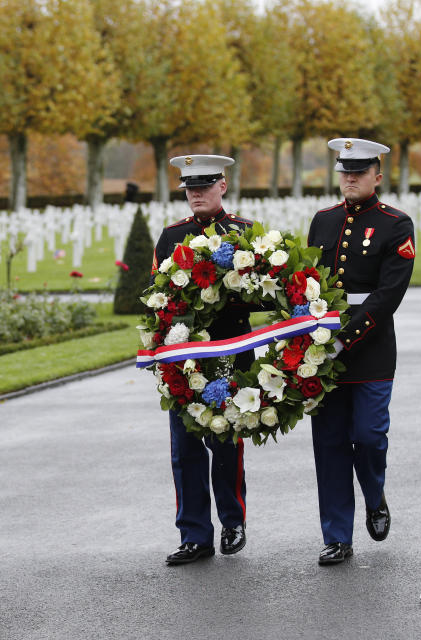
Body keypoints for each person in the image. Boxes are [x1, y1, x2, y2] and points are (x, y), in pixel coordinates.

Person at [306, 138, 415, 565]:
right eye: (344, 170)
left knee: (369, 438)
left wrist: (343, 338)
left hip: (370, 348)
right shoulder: (323, 220)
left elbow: (388, 294)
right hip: (321, 350)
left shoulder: (396, 224)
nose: (350, 177)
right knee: (329, 444)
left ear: (377, 176)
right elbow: (309, 285)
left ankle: (375, 494)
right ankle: (337, 536)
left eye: (359, 170)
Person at [154, 154, 254, 565]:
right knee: (186, 449)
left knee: (226, 442)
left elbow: (263, 292)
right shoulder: (171, 236)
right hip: (186, 356)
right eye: (190, 187)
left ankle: (233, 521)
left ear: (222, 186)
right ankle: (194, 534)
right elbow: (156, 298)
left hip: (231, 350)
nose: (196, 193)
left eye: (204, 185)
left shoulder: (246, 234)